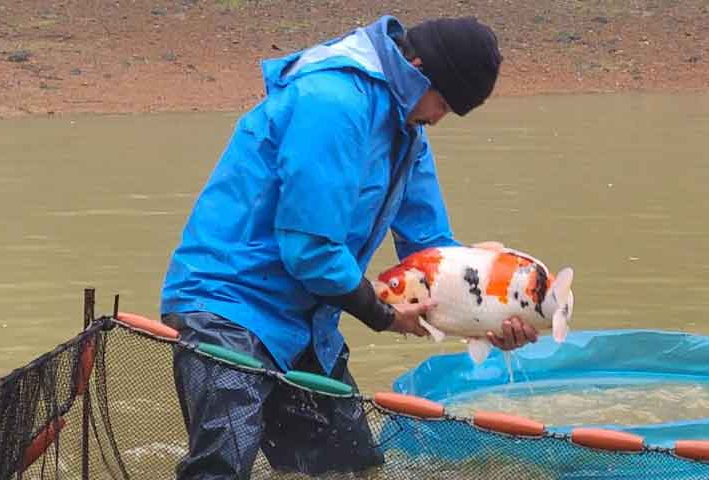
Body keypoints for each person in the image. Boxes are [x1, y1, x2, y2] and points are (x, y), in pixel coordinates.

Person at [160, 14, 538, 479]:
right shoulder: (333, 102)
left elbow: (433, 252)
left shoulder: (409, 131)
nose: (439, 118)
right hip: (227, 308)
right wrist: (382, 315)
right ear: (417, 67)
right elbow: (309, 248)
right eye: (443, 102)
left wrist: (489, 313)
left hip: (305, 320)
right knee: (220, 468)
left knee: (351, 470)